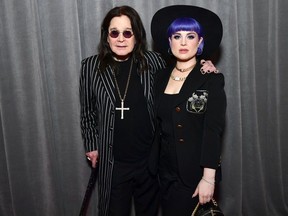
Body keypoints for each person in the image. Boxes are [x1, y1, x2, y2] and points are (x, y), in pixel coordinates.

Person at [79, 5, 217, 216]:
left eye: (128, 32)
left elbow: (184, 66)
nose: (121, 39)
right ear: (106, 37)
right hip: (114, 162)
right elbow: (87, 112)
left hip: (150, 163)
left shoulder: (154, 62)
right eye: (114, 32)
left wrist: (205, 64)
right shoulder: (90, 67)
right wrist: (91, 146)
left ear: (137, 36)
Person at [151, 5, 227, 216]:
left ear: (200, 41)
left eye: (190, 35)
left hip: (194, 173)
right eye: (177, 36)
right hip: (162, 173)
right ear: (169, 41)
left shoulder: (211, 79)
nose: (183, 42)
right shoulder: (159, 78)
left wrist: (208, 178)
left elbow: (213, 131)